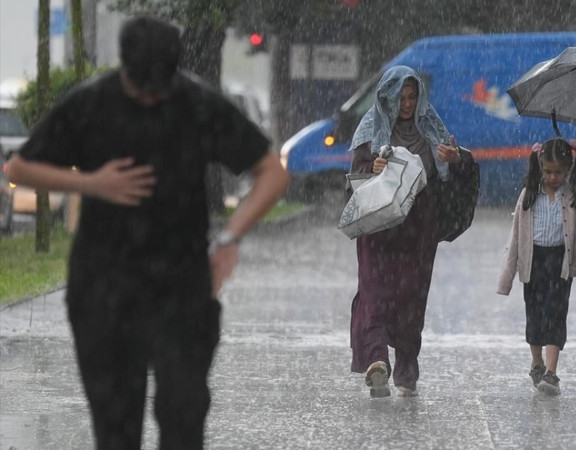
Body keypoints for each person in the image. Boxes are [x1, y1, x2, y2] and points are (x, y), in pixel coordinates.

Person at [7, 16, 288, 448]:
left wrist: (231, 237)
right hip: (103, 287)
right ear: (125, 69)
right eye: (142, 91)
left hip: (181, 285)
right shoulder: (91, 104)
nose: (152, 100)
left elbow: (271, 173)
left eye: (161, 90)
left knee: (183, 416)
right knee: (116, 429)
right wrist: (92, 183)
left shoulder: (198, 104)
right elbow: (20, 168)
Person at [348, 65, 464, 398]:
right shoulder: (371, 129)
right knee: (374, 289)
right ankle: (377, 359)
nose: (408, 104)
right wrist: (373, 168)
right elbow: (355, 177)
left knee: (412, 295)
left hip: (418, 227)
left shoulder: (431, 128)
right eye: (401, 97)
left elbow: (451, 176)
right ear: (387, 97)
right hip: (379, 225)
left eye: (413, 97)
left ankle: (406, 366)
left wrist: (454, 160)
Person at [497, 138, 576, 396]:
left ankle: (551, 372)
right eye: (548, 171)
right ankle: (537, 362)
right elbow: (516, 236)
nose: (553, 177)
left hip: (560, 263)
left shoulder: (573, 195)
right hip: (532, 261)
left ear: (568, 169)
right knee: (534, 314)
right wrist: (507, 276)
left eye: (559, 172)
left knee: (556, 313)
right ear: (540, 166)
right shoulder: (529, 195)